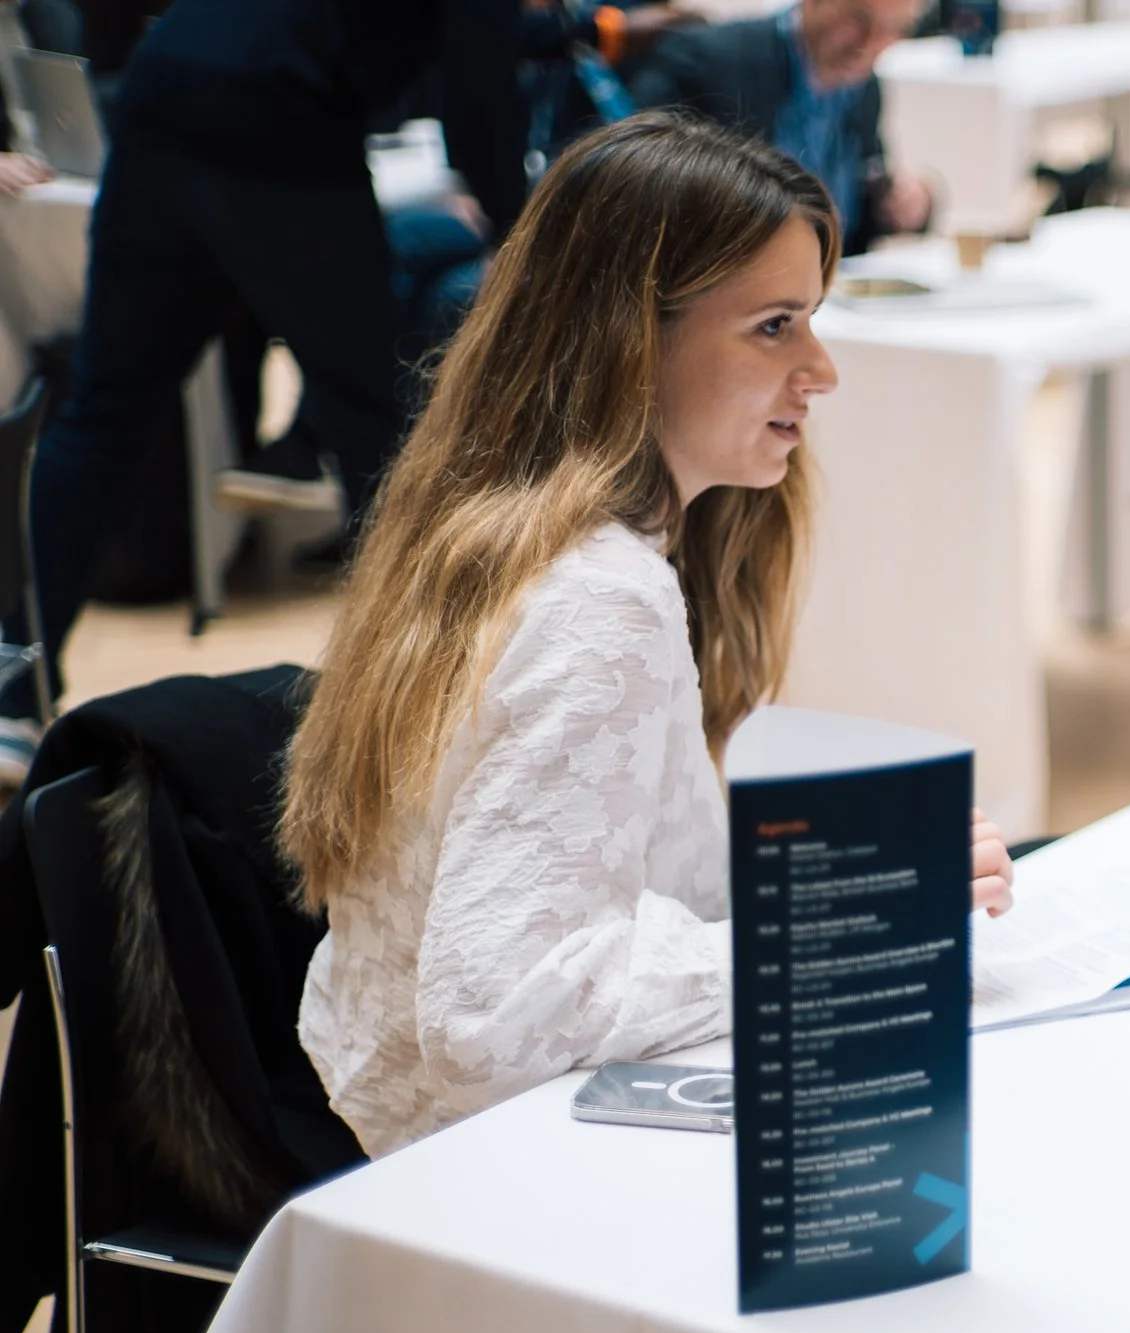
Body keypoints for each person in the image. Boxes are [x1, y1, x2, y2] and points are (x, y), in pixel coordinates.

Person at [280, 113, 1011, 1159]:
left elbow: (598, 868)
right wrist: (845, 921)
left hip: (388, 1122)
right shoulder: (602, 598)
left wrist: (857, 869)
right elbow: (495, 1018)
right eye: (775, 326)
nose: (821, 370)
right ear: (633, 338)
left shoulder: (497, 526)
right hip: (486, 1171)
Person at [0, 0, 531, 785]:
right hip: (282, 120)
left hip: (166, 86)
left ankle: (14, 689)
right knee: (372, 427)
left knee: (107, 408)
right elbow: (479, 89)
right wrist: (522, 237)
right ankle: (418, 707)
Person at [629, 0, 933, 257]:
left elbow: (861, 198)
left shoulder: (863, 87)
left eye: (895, 28)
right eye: (858, 19)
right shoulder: (709, 59)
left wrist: (902, 204)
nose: (870, 42)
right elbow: (636, 175)